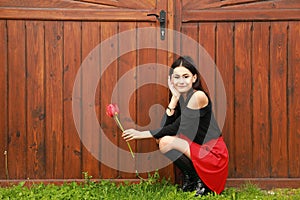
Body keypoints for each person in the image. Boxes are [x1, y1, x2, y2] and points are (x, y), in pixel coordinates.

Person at [122, 56, 229, 197]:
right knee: (161, 140)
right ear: (171, 80)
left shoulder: (198, 96)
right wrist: (174, 99)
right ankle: (191, 179)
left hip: (213, 154)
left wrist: (141, 134)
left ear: (194, 78)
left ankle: (201, 182)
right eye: (177, 77)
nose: (181, 81)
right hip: (198, 148)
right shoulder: (182, 97)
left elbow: (175, 128)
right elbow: (164, 127)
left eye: (186, 76)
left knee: (165, 140)